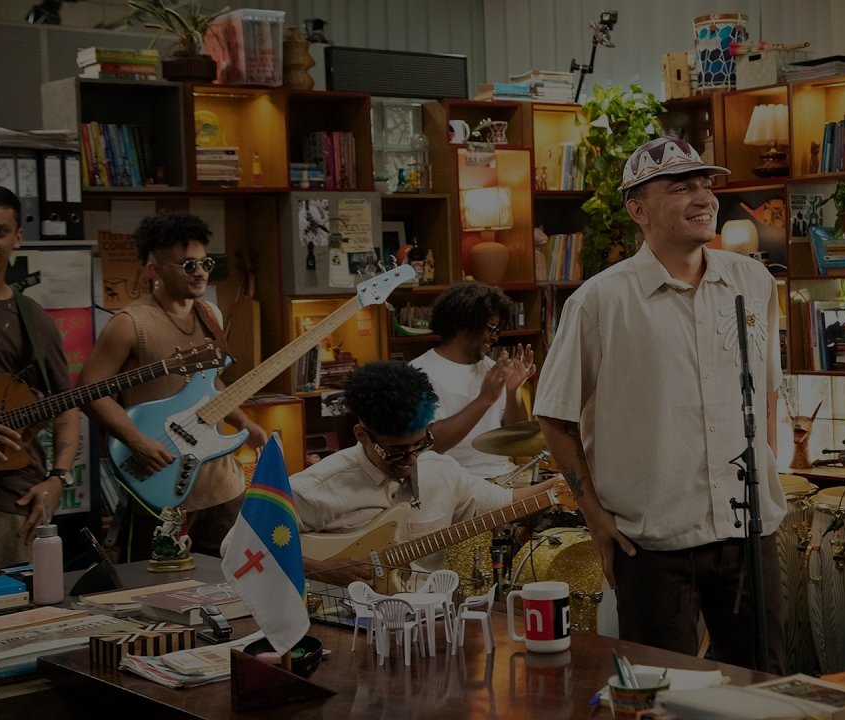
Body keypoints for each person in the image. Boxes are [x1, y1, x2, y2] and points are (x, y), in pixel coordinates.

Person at [534, 136, 787, 673]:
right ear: (638, 210)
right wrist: (597, 520)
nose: (703, 197)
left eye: (706, 184)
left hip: (748, 533)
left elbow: (764, 392)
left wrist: (768, 474)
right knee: (660, 693)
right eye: (681, 187)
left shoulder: (753, 281)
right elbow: (554, 417)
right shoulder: (600, 301)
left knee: (763, 686)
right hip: (652, 545)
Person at [77, 212, 265, 561]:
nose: (201, 272)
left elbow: (211, 384)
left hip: (221, 482)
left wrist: (243, 422)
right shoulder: (129, 324)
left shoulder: (211, 314)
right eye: (188, 265)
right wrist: (136, 441)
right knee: (150, 588)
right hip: (159, 480)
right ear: (154, 270)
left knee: (238, 581)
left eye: (205, 262)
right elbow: (90, 390)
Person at [293, 361, 545, 590]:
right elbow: (255, 545)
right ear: (362, 435)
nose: (412, 459)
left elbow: (507, 503)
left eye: (421, 444)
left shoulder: (441, 470)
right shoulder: (315, 487)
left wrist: (562, 487)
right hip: (346, 624)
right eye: (396, 451)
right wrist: (324, 571)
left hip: (428, 617)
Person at [0, 185, 80, 571]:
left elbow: (66, 404)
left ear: (17, 238)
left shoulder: (33, 318)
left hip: (16, 504)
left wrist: (59, 478)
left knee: (18, 623)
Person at [409, 281, 536, 483]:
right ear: (463, 323)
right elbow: (429, 444)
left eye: (498, 330)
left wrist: (513, 391)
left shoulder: (491, 367)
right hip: (457, 484)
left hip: (505, 476)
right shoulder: (419, 373)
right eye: (490, 328)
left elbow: (516, 438)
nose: (495, 337)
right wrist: (484, 399)